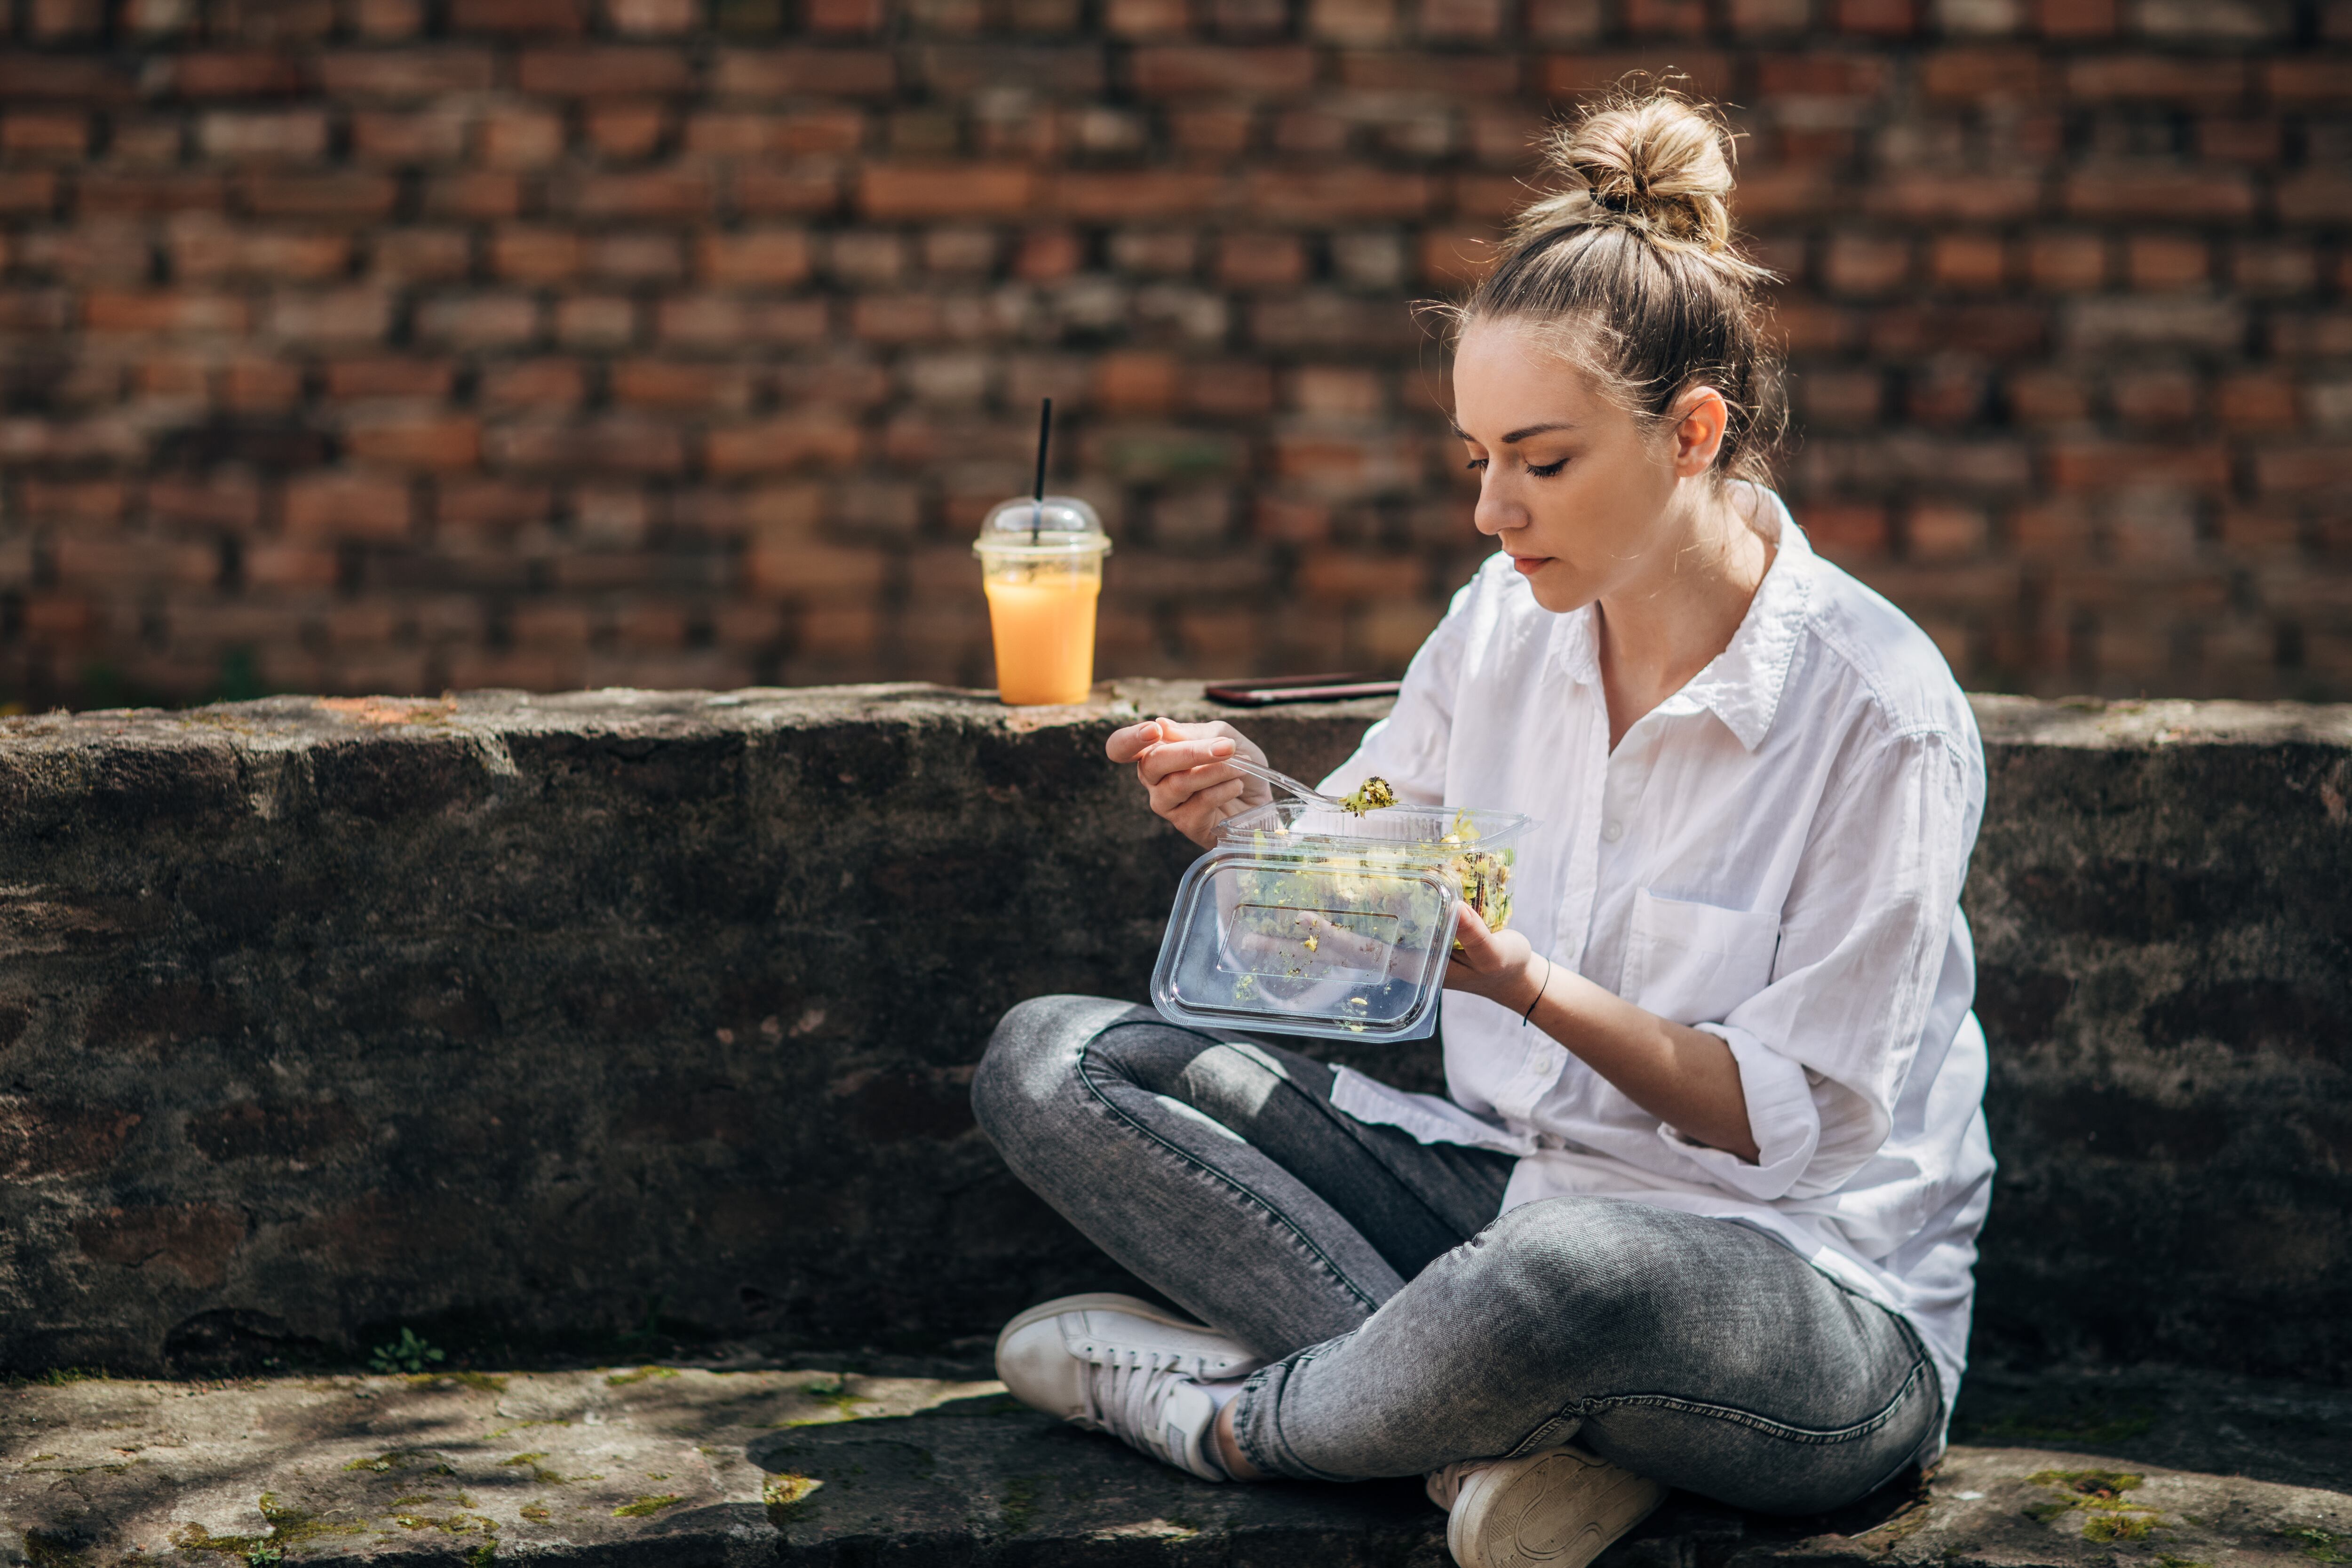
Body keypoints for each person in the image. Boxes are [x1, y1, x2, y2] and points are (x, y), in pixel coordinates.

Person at [970, 83, 1994, 1568]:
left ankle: (1243, 1422)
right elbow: (1356, 892)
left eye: (1543, 459)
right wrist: (1250, 818)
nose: (1492, 513)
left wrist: (1521, 985)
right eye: (1477, 460)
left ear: (1695, 433)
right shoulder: (1504, 624)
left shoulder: (1880, 715)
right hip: (1496, 1187)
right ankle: (1509, 1443)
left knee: (1561, 1284)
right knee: (1053, 1062)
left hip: (1802, 1294)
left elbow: (1793, 1128)